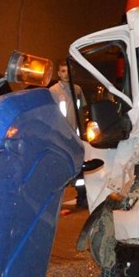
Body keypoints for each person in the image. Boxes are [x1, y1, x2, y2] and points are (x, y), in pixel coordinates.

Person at [50, 62, 88, 209]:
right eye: (63, 71)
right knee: (60, 167)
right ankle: (55, 201)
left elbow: (81, 111)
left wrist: (83, 132)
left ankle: (82, 196)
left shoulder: (77, 90)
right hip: (61, 136)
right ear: (58, 73)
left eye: (68, 71)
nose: (66, 74)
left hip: (75, 135)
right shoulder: (53, 91)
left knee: (79, 168)